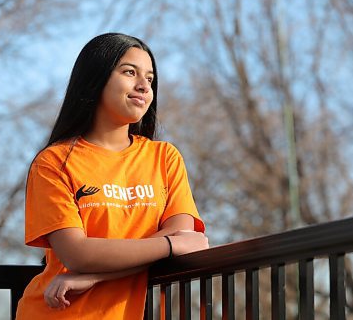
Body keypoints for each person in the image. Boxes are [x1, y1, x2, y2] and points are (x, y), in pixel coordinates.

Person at [16, 33, 209, 319]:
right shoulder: (54, 162)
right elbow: (77, 254)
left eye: (150, 78)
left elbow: (185, 242)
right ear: (96, 78)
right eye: (130, 72)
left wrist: (94, 277)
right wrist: (167, 244)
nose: (143, 85)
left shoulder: (164, 158)